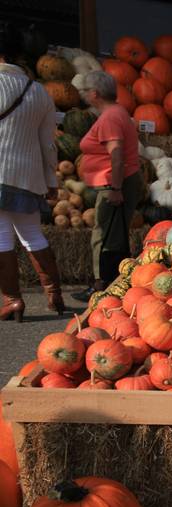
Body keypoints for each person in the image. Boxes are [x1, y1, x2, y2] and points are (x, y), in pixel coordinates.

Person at [0, 22, 64, 320]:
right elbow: (48, 145)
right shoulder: (39, 92)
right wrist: (51, 181)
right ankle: (54, 294)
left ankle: (11, 299)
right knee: (32, 235)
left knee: (1, 238)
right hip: (28, 177)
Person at [72, 70, 142, 303]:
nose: (82, 95)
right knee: (114, 236)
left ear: (95, 93)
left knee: (103, 236)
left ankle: (101, 285)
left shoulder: (110, 117)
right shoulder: (117, 112)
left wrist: (116, 188)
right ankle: (114, 283)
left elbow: (116, 155)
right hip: (117, 180)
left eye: (84, 91)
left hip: (113, 182)